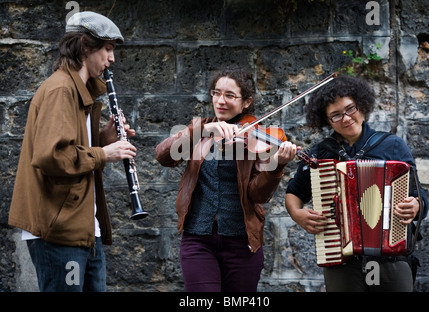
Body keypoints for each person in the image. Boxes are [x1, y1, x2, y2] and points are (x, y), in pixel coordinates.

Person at [8, 11, 137, 292]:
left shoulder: (80, 92)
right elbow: (52, 156)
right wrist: (105, 153)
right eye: (108, 49)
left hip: (85, 230)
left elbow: (75, 150)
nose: (112, 58)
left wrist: (104, 139)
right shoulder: (61, 91)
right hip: (59, 233)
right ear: (84, 46)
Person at [155, 67, 297, 292]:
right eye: (216, 93)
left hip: (242, 243)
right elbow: (163, 156)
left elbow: (258, 195)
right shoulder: (200, 130)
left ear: (246, 101)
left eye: (230, 96)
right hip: (198, 240)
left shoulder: (257, 137)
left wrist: (277, 166)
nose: (221, 101)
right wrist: (203, 128)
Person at [285, 75, 428, 292]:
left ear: (360, 105)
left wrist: (416, 206)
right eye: (335, 115)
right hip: (341, 261)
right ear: (327, 121)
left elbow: (422, 200)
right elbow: (294, 192)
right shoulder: (320, 153)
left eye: (350, 109)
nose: (346, 118)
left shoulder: (392, 146)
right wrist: (297, 213)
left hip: (391, 259)